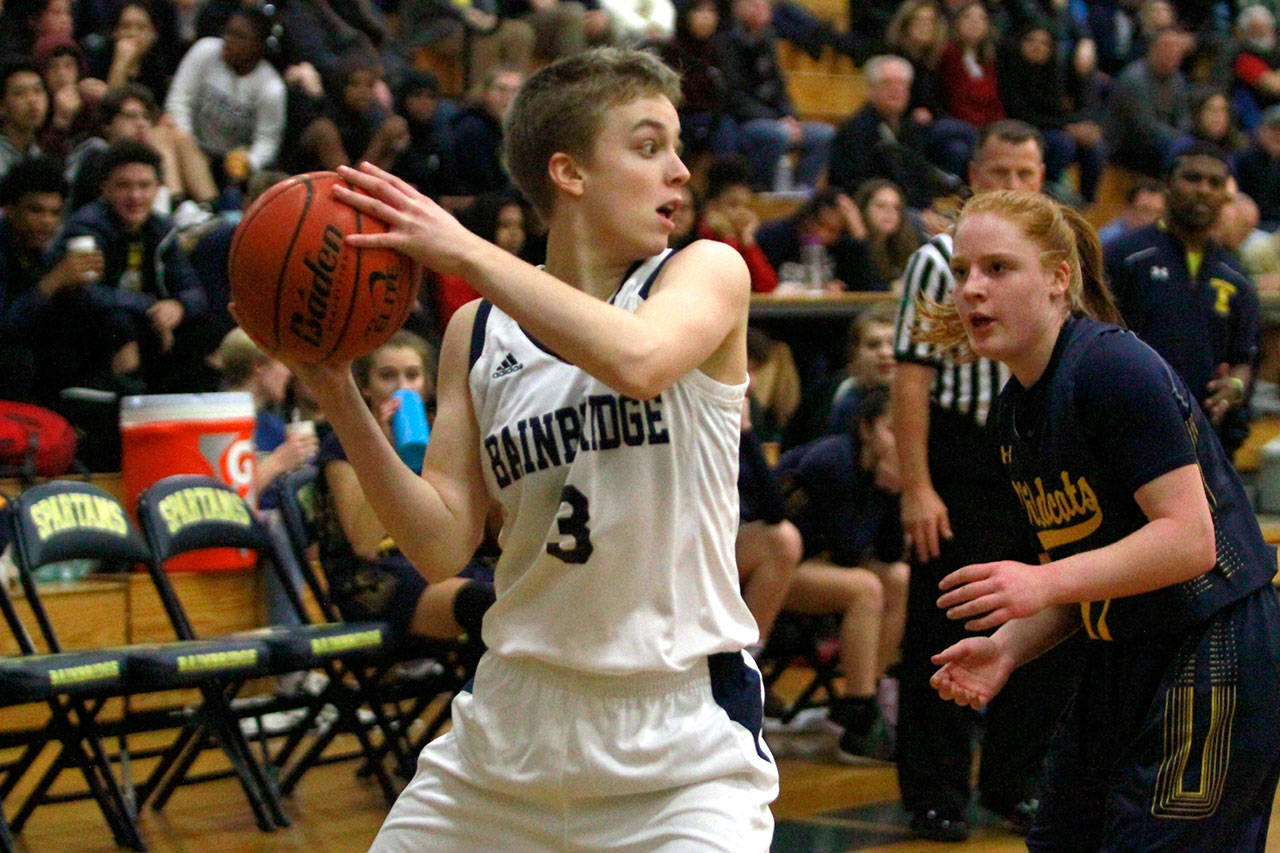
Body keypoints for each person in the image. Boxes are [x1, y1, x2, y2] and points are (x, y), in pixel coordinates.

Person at [274, 47, 778, 849]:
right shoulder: (476, 333)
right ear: (568, 172)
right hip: (509, 724)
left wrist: (467, 250)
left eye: (678, 147)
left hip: (678, 739)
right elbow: (441, 544)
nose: (680, 170)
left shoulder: (703, 273)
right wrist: (337, 396)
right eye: (649, 146)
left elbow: (639, 361)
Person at [921, 187, 1280, 851]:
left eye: (998, 269)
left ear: (1059, 278)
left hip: (1213, 640)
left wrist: (1044, 582)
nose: (972, 289)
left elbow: (1189, 539)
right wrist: (1007, 647)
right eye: (964, 271)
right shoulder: (1015, 413)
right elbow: (1079, 575)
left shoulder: (1113, 367)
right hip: (1125, 650)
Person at [890, 118, 1079, 842]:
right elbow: (910, 375)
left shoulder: (1053, 262)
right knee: (947, 623)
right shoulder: (939, 261)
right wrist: (917, 485)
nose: (1011, 186)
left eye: (1025, 175)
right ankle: (934, 791)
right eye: (998, 173)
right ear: (973, 178)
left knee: (1046, 619)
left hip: (1034, 449)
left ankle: (1014, 780)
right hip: (959, 455)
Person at [313, 330, 495, 644]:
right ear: (366, 386)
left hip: (439, 562)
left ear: (428, 385)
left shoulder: (445, 435)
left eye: (412, 375)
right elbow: (365, 543)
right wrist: (385, 449)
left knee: (518, 591)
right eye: (387, 376)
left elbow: (475, 530)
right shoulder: (342, 443)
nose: (402, 387)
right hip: (374, 577)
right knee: (482, 602)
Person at [777, 385, 908, 763]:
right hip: (765, 566)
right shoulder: (832, 461)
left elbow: (889, 551)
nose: (900, 440)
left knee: (898, 578)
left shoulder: (879, 471)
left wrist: (894, 492)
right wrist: (891, 492)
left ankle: (866, 696)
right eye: (890, 430)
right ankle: (859, 709)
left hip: (815, 559)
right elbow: (848, 548)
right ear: (866, 429)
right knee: (864, 588)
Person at [1104, 143, 1260, 457]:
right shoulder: (1125, 256)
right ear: (1168, 185)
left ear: (1225, 197)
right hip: (1129, 430)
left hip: (1207, 438)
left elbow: (1245, 359)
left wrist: (1235, 388)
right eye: (1192, 178)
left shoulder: (1236, 276)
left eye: (1214, 183)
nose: (1203, 190)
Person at [164, 7, 287, 187]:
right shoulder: (204, 50)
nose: (228, 41)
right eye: (228, 33)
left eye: (239, 37)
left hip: (231, 163)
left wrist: (250, 161)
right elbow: (178, 102)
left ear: (259, 46)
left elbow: (267, 140)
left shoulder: (271, 88)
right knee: (165, 131)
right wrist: (189, 146)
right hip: (191, 145)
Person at [1096, 178, 1166, 247]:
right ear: (1128, 209)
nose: (1151, 219)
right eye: (1143, 211)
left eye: (1157, 213)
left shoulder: (1163, 241)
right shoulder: (1109, 240)